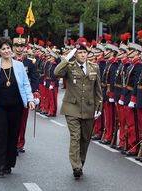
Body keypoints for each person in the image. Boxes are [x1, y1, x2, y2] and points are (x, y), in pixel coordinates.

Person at [0, 37, 35, 177]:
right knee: (0, 133)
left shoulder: (18, 65)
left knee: (12, 134)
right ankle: (0, 164)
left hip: (16, 105)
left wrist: (30, 99)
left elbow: (25, 84)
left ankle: (9, 163)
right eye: (3, 49)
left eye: (8, 48)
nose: (7, 51)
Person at [53, 37, 103, 179]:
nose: (82, 55)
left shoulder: (94, 67)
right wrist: (66, 59)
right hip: (72, 107)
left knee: (85, 138)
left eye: (84, 53)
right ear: (75, 54)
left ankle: (80, 162)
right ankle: (76, 166)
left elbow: (98, 89)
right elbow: (57, 73)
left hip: (88, 108)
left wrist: (99, 106)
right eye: (79, 52)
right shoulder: (69, 66)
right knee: (75, 136)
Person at [12, 27, 40, 153]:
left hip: (24, 96)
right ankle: (11, 142)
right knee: (12, 121)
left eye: (21, 46)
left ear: (25, 47)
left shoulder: (30, 63)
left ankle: (20, 143)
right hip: (11, 95)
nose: (19, 49)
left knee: (22, 122)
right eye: (17, 46)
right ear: (13, 47)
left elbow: (35, 79)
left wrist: (34, 93)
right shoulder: (9, 61)